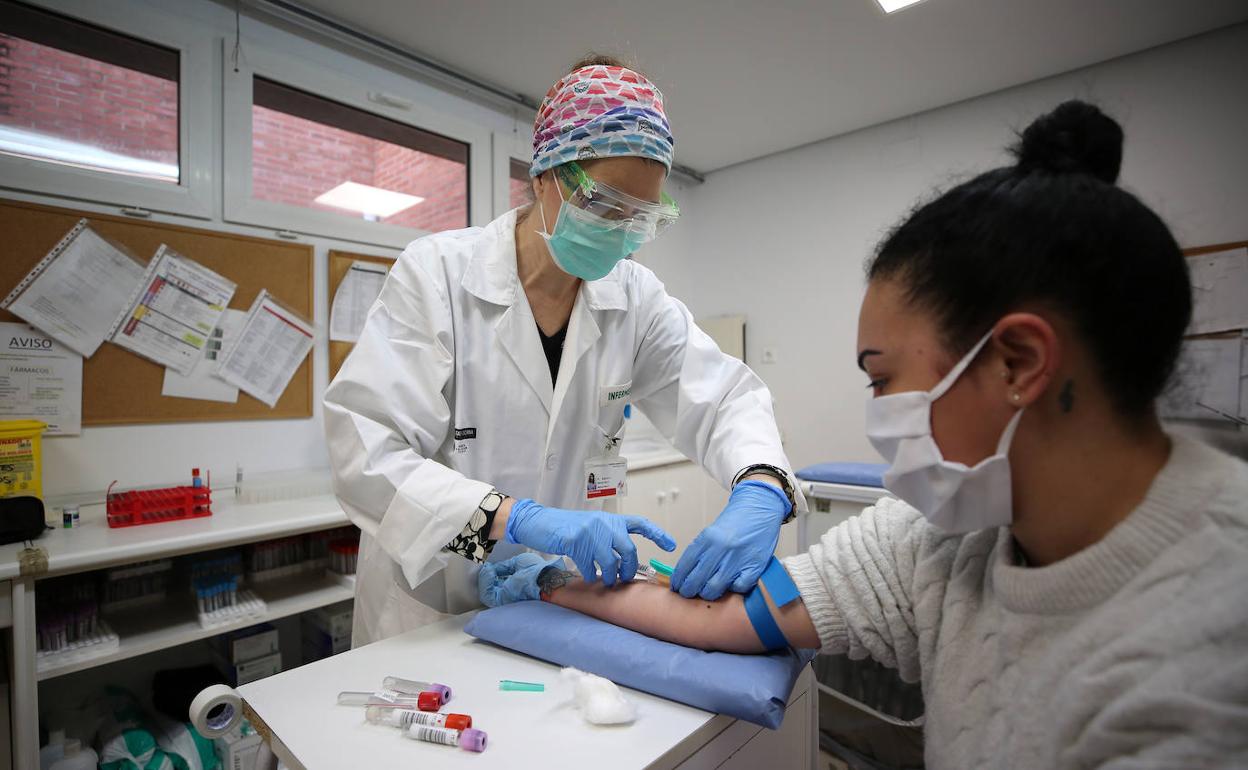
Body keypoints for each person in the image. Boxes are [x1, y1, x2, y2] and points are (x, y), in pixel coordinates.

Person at [480, 101, 1248, 767]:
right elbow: (712, 619)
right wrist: (549, 576)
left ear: (1018, 360)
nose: (880, 417)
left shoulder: (1206, 661)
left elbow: (721, 416)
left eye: (882, 379)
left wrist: (759, 484)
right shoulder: (938, 537)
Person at [324, 55, 804, 645]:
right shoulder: (439, 276)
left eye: (640, 216)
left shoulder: (636, 299)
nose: (621, 231)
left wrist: (761, 486)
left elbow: (723, 398)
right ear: (546, 174)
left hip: (565, 600)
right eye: (606, 206)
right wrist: (517, 520)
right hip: (433, 609)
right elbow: (368, 452)